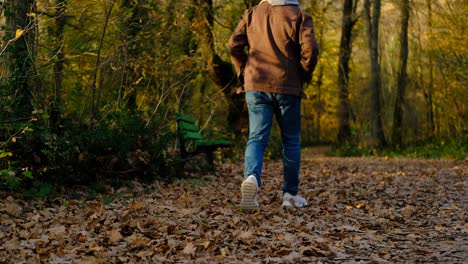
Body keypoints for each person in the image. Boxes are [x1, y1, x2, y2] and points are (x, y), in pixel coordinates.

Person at [228, 0, 319, 210]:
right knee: (291, 140)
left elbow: (234, 45)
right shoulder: (299, 15)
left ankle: (251, 179)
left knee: (257, 137)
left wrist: (244, 70)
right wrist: (303, 73)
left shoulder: (252, 14)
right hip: (287, 85)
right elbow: (310, 49)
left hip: (256, 84)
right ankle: (290, 195)